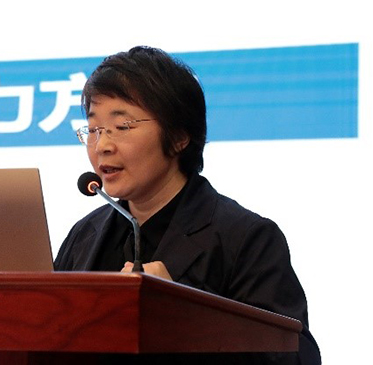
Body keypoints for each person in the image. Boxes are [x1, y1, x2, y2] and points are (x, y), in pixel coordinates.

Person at [54, 46, 321, 364]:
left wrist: (184, 316)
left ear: (179, 136)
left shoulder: (246, 238)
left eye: (122, 127)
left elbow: (295, 356)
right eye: (94, 129)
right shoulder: (84, 235)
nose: (102, 146)